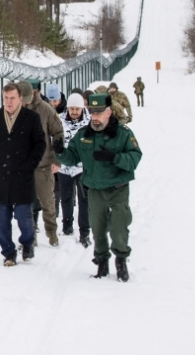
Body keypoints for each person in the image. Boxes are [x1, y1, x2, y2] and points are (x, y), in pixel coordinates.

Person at [55, 92, 143, 281]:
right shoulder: (84, 135)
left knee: (119, 229)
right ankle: (101, 263)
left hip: (117, 190)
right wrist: (60, 152)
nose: (95, 117)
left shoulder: (123, 134)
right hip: (94, 191)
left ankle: (121, 261)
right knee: (98, 229)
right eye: (92, 113)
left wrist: (115, 158)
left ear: (109, 112)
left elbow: (135, 157)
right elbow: (72, 157)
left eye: (99, 113)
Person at [0, 80, 46, 265]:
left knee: (24, 218)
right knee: (2, 221)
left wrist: (30, 164)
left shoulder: (31, 118)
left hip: (22, 177)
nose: (8, 102)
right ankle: (8, 253)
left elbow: (40, 143)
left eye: (12, 98)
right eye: (5, 98)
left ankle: (27, 244)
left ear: (20, 98)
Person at [25, 81, 67, 246]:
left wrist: (57, 159)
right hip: (24, 166)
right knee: (24, 204)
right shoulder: (15, 108)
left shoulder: (45, 109)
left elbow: (58, 132)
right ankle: (29, 238)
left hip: (43, 165)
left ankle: (52, 234)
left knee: (48, 203)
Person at [56, 92, 91, 248]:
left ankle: (84, 231)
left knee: (84, 199)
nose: (75, 112)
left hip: (82, 168)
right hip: (64, 166)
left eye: (77, 109)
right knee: (66, 197)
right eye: (72, 109)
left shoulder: (89, 123)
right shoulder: (60, 122)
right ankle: (67, 225)